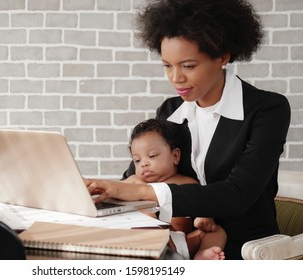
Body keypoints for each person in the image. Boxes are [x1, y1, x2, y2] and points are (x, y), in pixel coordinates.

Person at [85, 0, 291, 259]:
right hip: (176, 243)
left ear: (223, 56)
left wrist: (136, 190)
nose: (175, 78)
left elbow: (238, 195)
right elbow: (138, 176)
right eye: (167, 65)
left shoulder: (267, 109)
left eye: (188, 66)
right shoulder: (170, 110)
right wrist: (99, 190)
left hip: (245, 251)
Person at [126, 118, 226, 260]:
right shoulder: (134, 182)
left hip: (183, 242)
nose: (144, 164)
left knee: (218, 232)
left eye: (152, 156)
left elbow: (202, 203)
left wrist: (205, 218)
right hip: (152, 242)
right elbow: (116, 195)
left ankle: (203, 255)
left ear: (175, 156)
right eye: (137, 160)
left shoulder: (186, 183)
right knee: (146, 218)